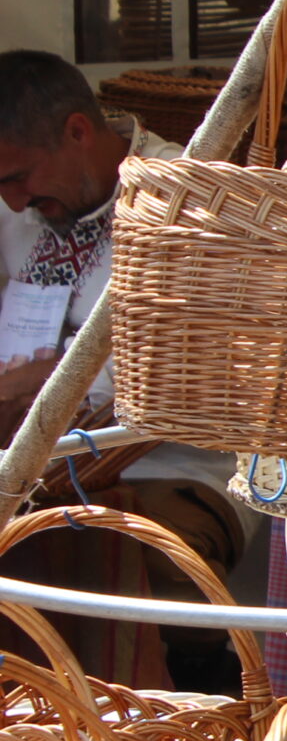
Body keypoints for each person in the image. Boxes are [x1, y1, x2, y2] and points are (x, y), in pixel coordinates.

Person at [0, 51, 254, 686]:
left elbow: (191, 365)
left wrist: (47, 385)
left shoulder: (183, 199)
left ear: (78, 133)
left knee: (94, 552)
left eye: (20, 177)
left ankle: (135, 734)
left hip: (172, 467)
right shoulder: (25, 214)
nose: (13, 201)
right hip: (29, 470)